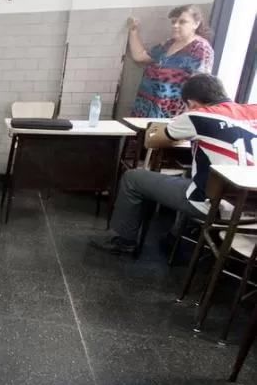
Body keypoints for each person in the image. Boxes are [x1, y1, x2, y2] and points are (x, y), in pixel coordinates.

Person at [91, 74, 257, 255]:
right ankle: (175, 237)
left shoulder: (196, 116)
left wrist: (177, 133)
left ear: (191, 103)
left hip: (218, 204)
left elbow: (152, 141)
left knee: (133, 178)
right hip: (251, 206)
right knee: (188, 176)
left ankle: (125, 241)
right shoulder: (253, 110)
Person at [129, 4, 215, 119]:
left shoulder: (201, 49)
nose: (175, 25)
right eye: (173, 22)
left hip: (170, 116)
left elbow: (200, 89)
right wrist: (133, 31)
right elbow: (139, 56)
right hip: (144, 109)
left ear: (196, 23)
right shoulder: (169, 44)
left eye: (182, 22)